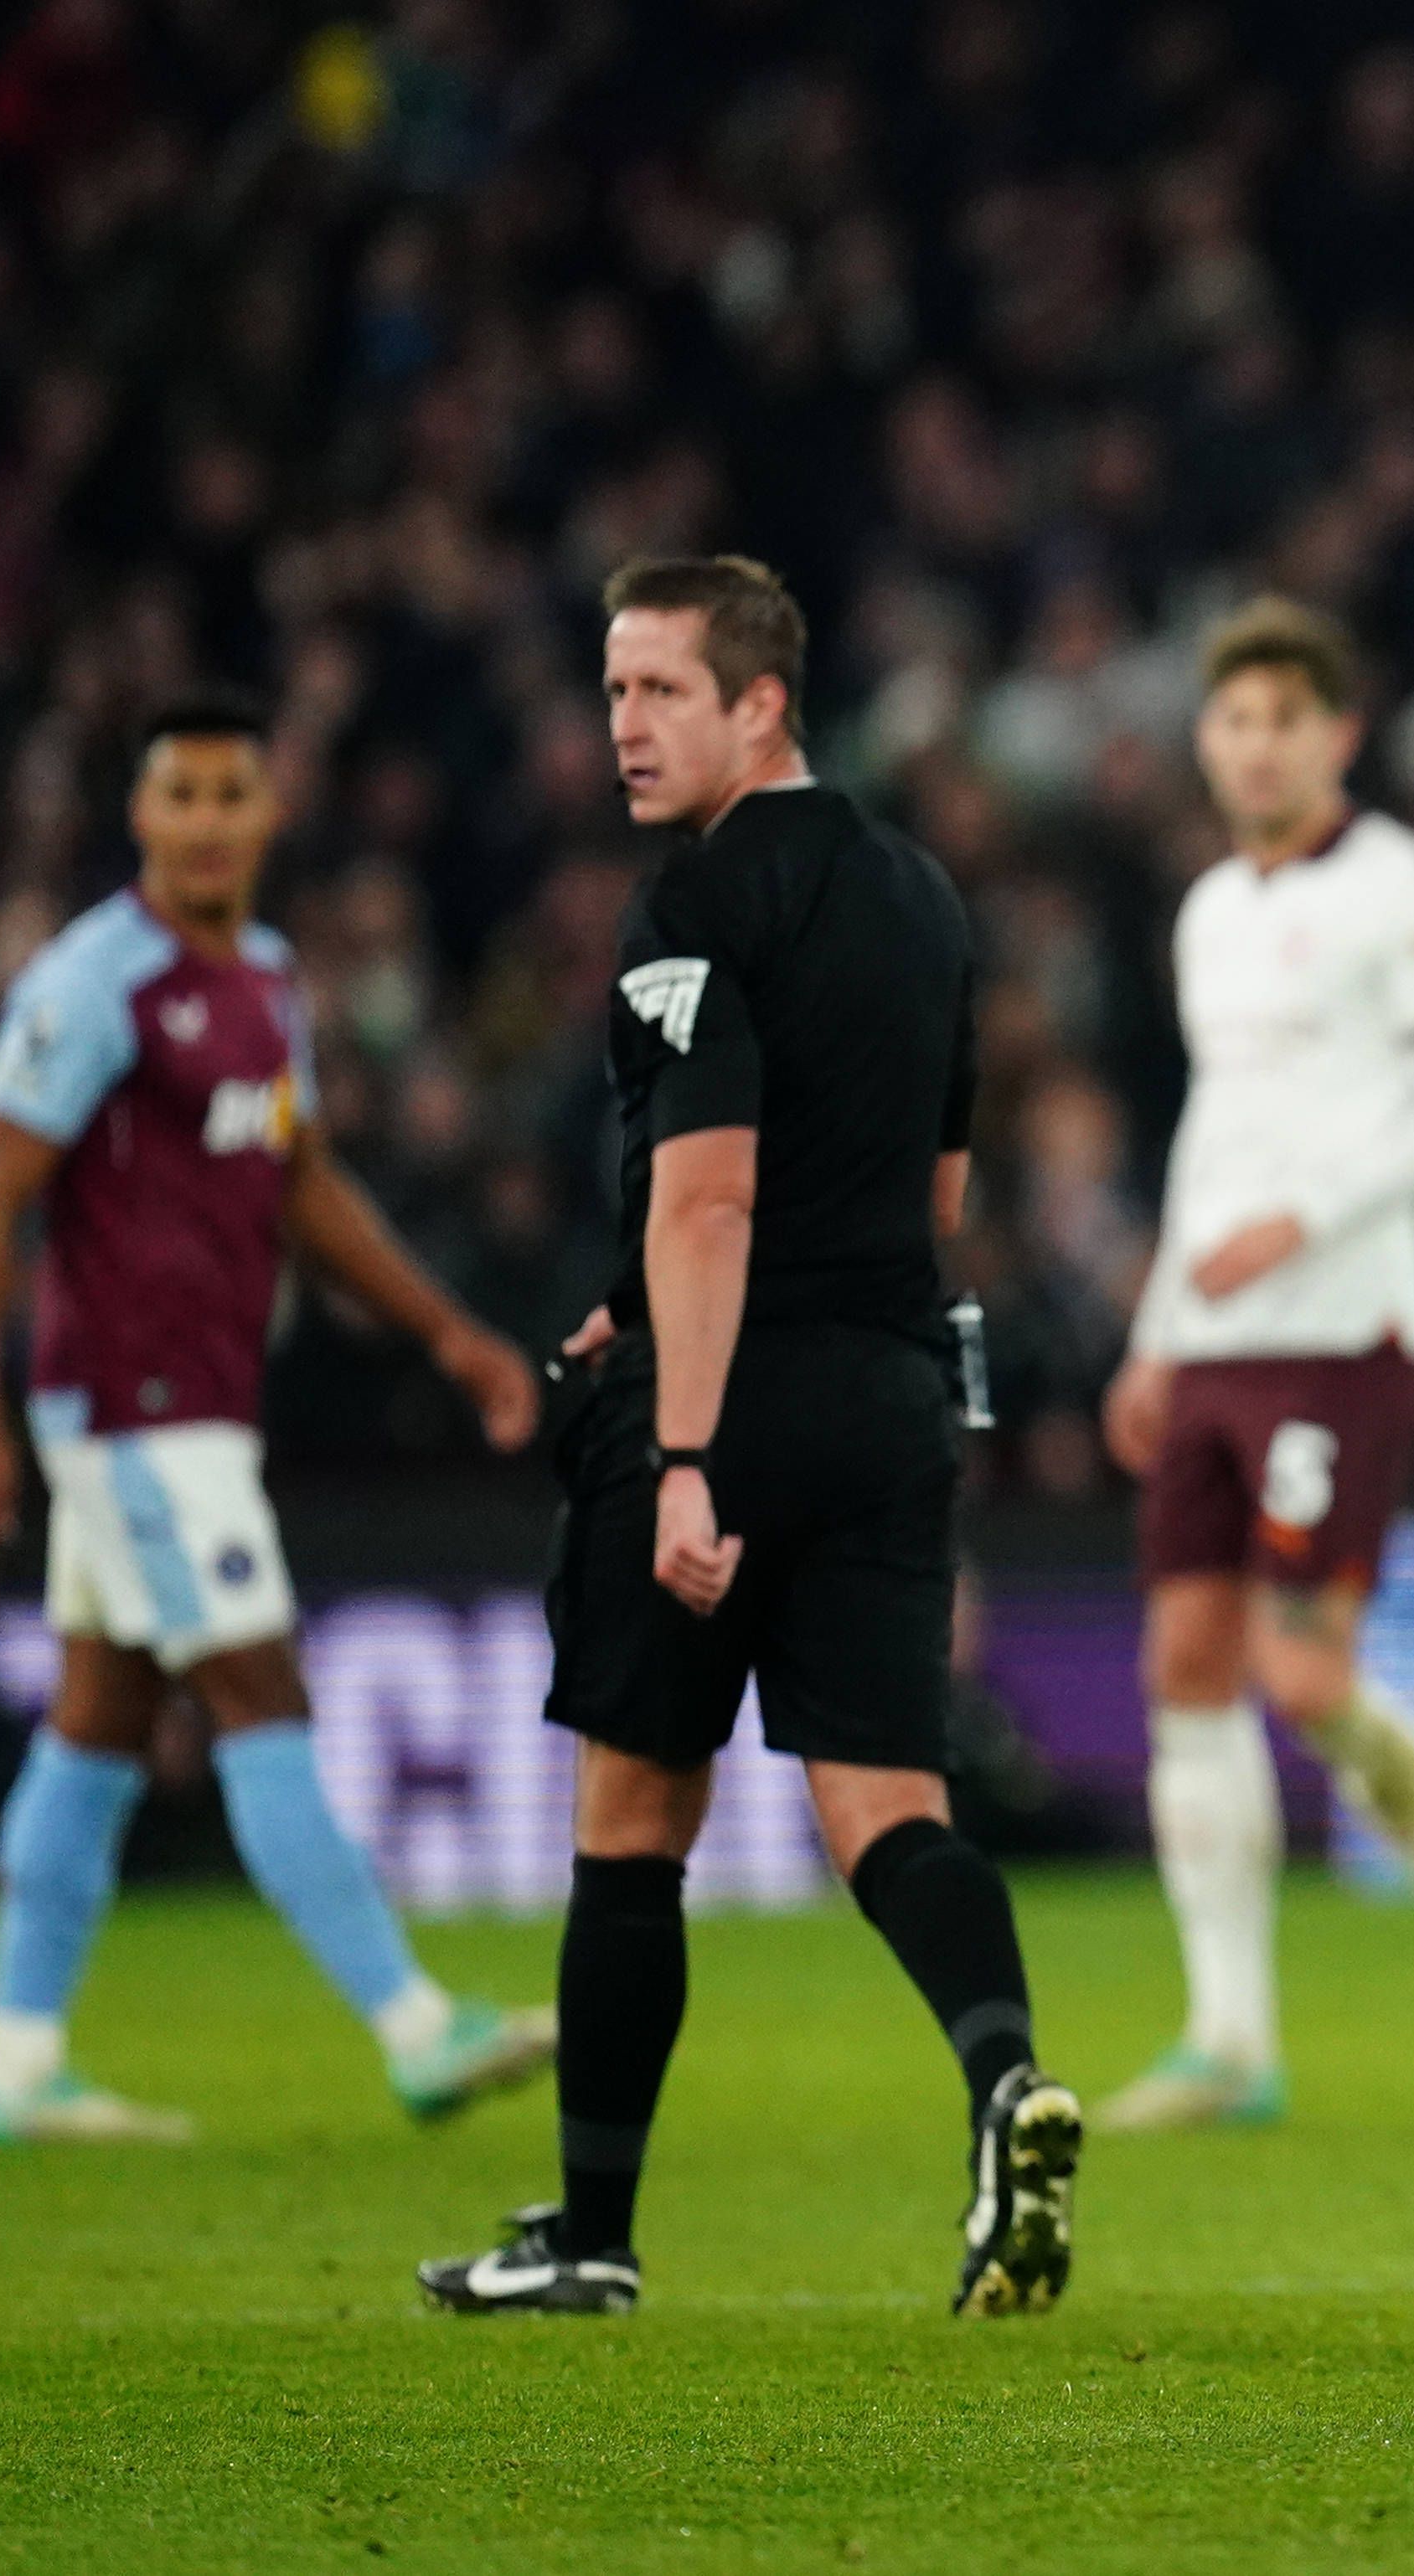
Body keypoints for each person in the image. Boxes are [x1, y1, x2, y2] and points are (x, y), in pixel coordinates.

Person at [421, 557, 1079, 2319]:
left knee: (632, 1817)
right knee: (886, 1804)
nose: (620, 726)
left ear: (759, 703)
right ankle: (1008, 2083)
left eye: (657, 693)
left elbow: (705, 1200)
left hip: (729, 1402)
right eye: (613, 689)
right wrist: (648, 1304)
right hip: (890, 1391)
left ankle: (592, 2226)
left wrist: (686, 1443)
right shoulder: (926, 895)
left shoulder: (692, 903)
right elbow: (932, 1185)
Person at [0, 693, 552, 2145]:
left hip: (200, 1406)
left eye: (232, 796)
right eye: (181, 797)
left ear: (271, 816)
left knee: (96, 1727)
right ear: (140, 818)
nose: (208, 823)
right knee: (261, 1695)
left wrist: (450, 1334)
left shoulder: (270, 980)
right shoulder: (94, 985)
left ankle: (18, 2063)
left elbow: (303, 1185)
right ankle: (416, 2025)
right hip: (131, 1413)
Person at [1096, 597, 1414, 2136]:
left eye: (1286, 717)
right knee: (1187, 1667)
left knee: (1303, 1675)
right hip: (1215, 1342)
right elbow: (1217, 1125)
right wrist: (1159, 1322)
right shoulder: (1208, 910)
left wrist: (1305, 1218)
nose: (1256, 745)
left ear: (1339, 735)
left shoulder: (1409, 893)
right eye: (1232, 721)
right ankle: (1230, 2038)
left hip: (1345, 1327)